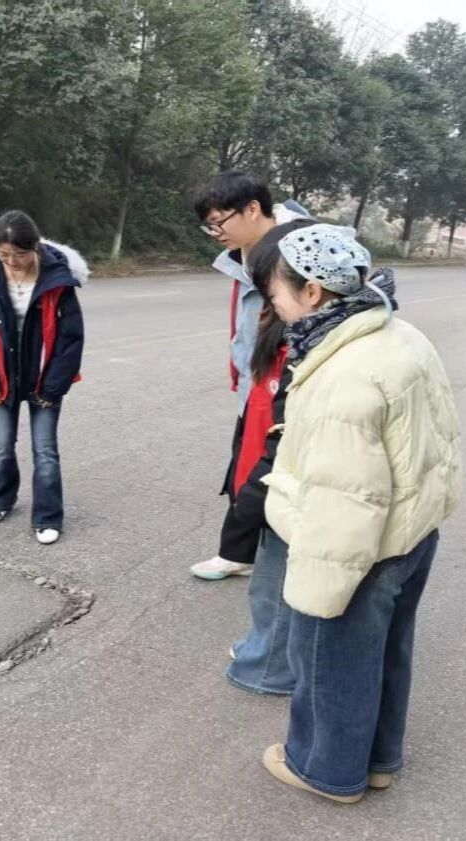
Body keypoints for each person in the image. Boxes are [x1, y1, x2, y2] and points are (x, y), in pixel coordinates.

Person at [255, 224, 462, 803]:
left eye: (275, 294)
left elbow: (346, 497)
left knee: (330, 660)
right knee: (385, 651)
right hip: (411, 532)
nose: (272, 308)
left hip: (360, 547)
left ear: (312, 291)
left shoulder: (345, 372)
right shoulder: (398, 332)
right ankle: (377, 760)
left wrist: (320, 593)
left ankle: (325, 769)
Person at [189, 171, 309, 581]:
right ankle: (240, 554)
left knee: (270, 470)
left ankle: (274, 560)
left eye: (219, 222)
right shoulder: (246, 252)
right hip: (255, 380)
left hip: (285, 383)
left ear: (253, 209)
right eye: (209, 225)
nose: (215, 233)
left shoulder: (295, 250)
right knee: (244, 461)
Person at [0, 210, 87, 545]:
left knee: (45, 449)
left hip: (44, 376)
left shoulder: (57, 278)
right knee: (1, 444)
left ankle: (48, 517)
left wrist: (54, 387)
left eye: (19, 254)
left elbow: (71, 339)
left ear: (35, 247)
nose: (12, 262)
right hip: (3, 376)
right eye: (4, 255)